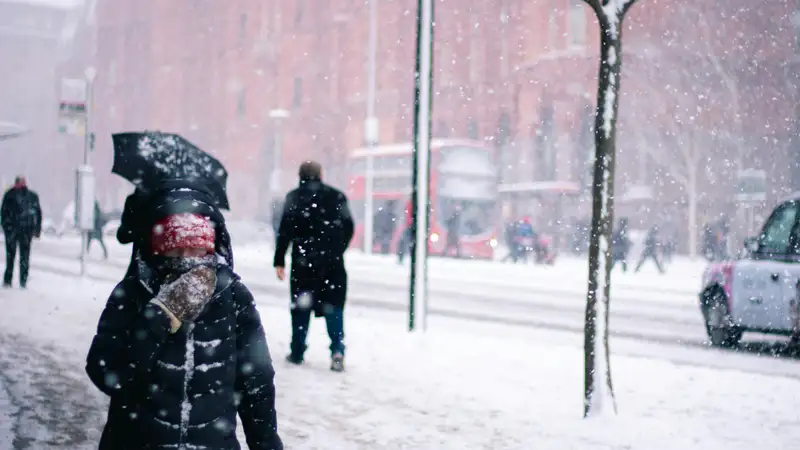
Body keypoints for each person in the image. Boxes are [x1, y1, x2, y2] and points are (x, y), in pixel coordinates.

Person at [86, 190, 283, 450]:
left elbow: (256, 383)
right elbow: (106, 372)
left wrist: (266, 443)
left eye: (197, 249)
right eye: (178, 249)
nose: (188, 259)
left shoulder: (233, 296)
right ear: (159, 250)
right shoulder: (134, 293)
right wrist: (160, 316)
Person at [274, 161, 354, 372]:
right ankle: (337, 350)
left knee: (301, 307)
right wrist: (337, 249)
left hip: (303, 264)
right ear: (321, 174)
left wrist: (279, 260)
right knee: (334, 307)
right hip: (332, 264)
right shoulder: (336, 196)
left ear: (300, 175)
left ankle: (298, 350)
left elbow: (284, 231)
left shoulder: (294, 198)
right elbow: (349, 226)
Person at [1, 176, 42, 288]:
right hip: (22, 231)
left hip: (18, 231)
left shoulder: (10, 195)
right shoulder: (30, 196)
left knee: (15, 256)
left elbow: (3, 213)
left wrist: (6, 227)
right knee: (20, 257)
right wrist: (36, 230)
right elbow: (38, 214)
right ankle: (17, 280)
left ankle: (13, 280)